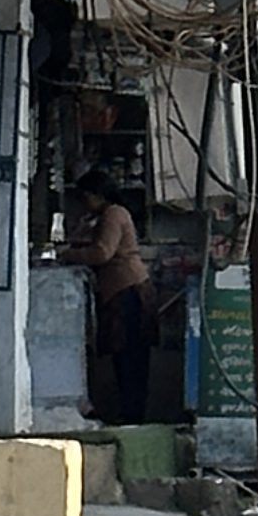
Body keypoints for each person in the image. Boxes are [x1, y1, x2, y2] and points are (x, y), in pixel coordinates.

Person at [59, 165, 152, 424]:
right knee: (127, 357)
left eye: (87, 198)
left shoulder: (113, 215)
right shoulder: (107, 216)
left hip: (126, 291)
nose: (85, 204)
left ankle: (131, 414)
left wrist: (67, 255)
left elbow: (102, 252)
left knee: (129, 357)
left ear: (98, 194)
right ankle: (129, 412)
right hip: (122, 290)